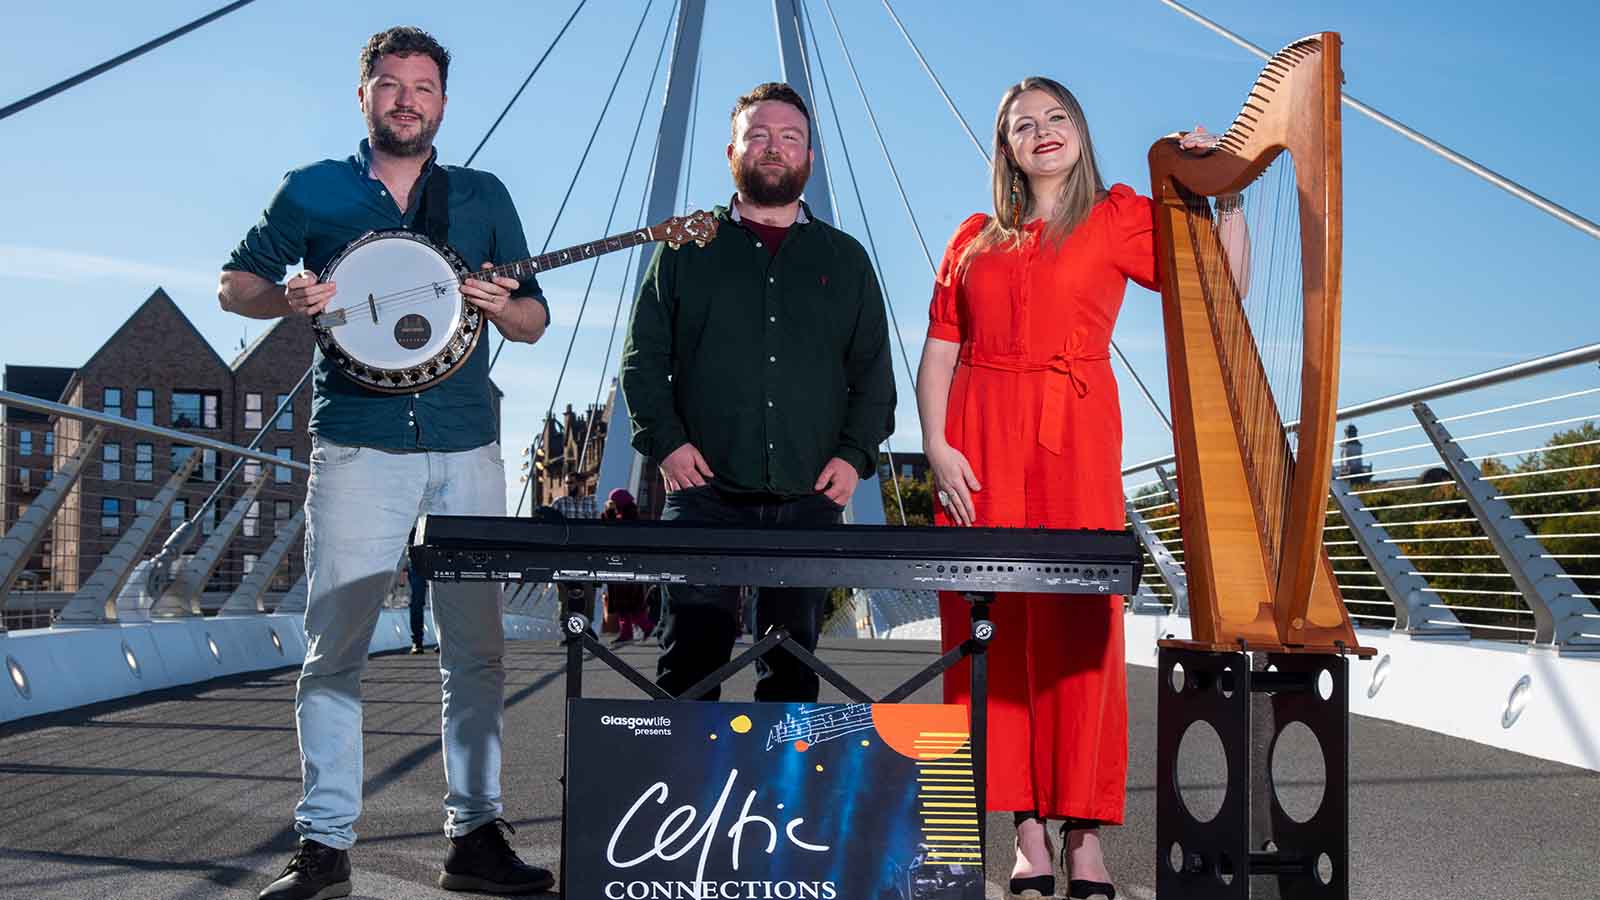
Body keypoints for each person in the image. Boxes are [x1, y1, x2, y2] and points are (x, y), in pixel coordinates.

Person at [218, 26, 554, 899]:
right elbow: (233, 283)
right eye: (392, 85)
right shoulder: (314, 191)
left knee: (475, 650)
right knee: (335, 648)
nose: (408, 99)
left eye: (424, 86)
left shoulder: (483, 197)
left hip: (467, 442)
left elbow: (533, 322)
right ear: (364, 96)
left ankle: (475, 838)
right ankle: (323, 848)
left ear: (444, 102)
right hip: (359, 443)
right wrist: (285, 298)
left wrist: (502, 301)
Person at [914, 77, 1244, 900]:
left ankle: (1083, 835)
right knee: (986, 635)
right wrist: (935, 448)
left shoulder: (1118, 216)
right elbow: (939, 355)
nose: (1043, 132)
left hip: (1074, 442)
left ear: (1080, 132)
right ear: (1007, 148)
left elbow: (1218, 286)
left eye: (1057, 117)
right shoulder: (970, 238)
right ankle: (1023, 831)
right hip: (979, 450)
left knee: (1081, 637)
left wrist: (1227, 198)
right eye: (1024, 124)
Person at [621, 82, 896, 703]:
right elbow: (642, 361)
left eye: (790, 137)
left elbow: (874, 374)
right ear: (732, 153)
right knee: (689, 663)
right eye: (759, 136)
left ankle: (780, 800)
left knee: (794, 669)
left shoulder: (845, 260)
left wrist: (855, 456)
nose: (774, 148)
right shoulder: (685, 253)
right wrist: (664, 444)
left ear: (809, 158)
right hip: (702, 493)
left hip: (809, 491)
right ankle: (684, 796)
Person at [599, 488, 650, 644]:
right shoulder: (632, 515)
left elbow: (611, 533)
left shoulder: (624, 518)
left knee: (626, 602)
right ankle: (630, 631)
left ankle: (643, 628)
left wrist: (607, 515)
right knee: (628, 603)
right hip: (629, 564)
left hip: (621, 564)